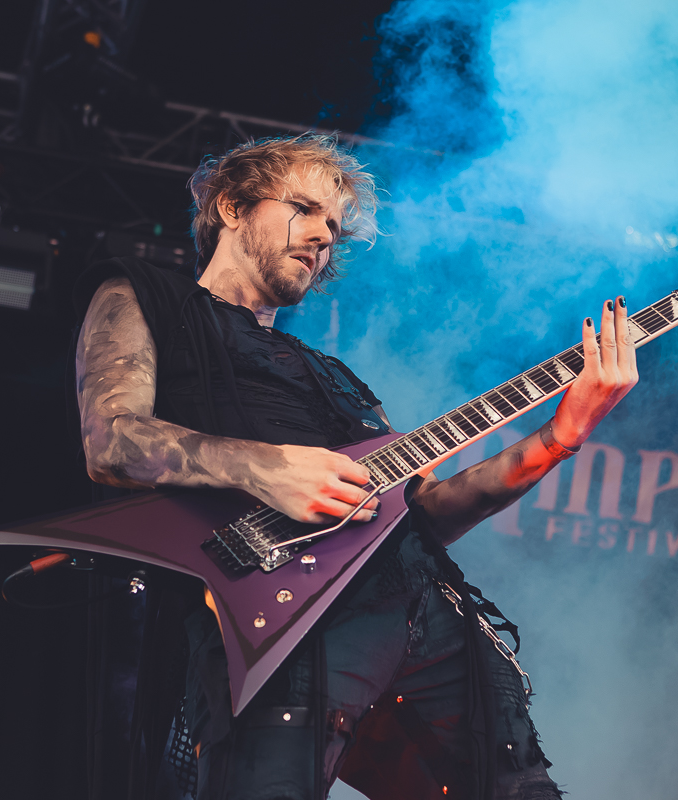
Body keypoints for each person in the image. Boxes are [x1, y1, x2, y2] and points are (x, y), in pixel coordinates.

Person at [73, 133, 638, 800]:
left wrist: (561, 435)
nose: (322, 237)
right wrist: (267, 468)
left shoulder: (333, 378)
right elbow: (112, 440)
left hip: (420, 607)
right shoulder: (147, 298)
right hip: (286, 618)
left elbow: (428, 511)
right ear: (231, 206)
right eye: (304, 209)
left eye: (334, 228)